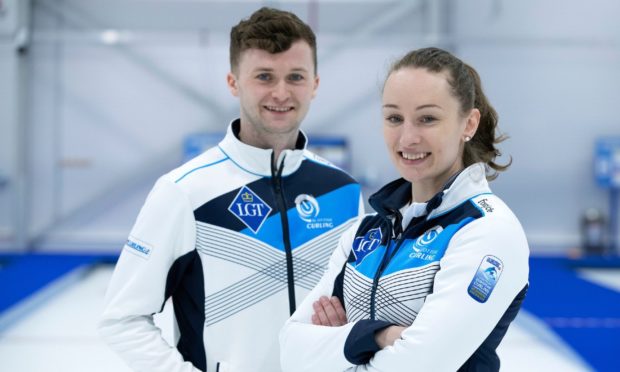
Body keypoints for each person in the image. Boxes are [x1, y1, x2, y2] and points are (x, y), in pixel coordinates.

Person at [98, 7, 364, 372]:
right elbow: (122, 319)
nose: (281, 93)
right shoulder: (185, 192)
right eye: (264, 76)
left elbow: (363, 303)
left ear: (315, 84)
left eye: (296, 77)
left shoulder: (345, 193)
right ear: (233, 82)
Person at [280, 47, 529, 372]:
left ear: (468, 123)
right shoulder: (365, 231)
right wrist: (376, 335)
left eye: (427, 118)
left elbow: (423, 364)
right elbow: (290, 351)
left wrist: (334, 349)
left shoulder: (488, 230)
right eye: (394, 118)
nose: (408, 137)